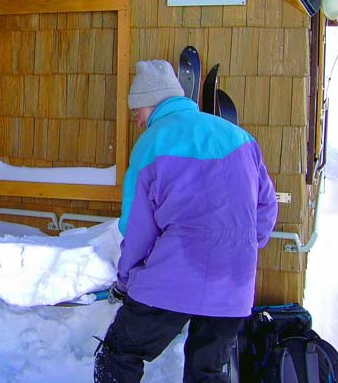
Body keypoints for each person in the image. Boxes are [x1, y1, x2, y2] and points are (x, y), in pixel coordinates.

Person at [94, 60, 278, 383]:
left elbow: (136, 228)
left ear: (150, 104)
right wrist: (239, 245)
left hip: (172, 278)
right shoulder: (241, 138)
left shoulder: (152, 143)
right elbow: (266, 209)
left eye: (137, 112)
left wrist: (126, 280)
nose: (137, 122)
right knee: (206, 373)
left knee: (119, 353)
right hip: (235, 284)